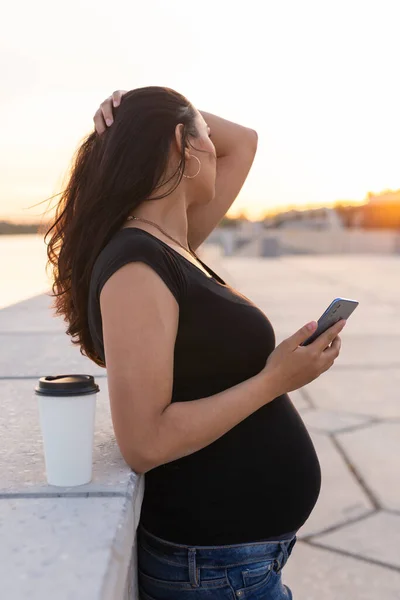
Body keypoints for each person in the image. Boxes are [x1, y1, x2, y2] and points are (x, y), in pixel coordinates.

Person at [45, 86, 345, 599]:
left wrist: (141, 109)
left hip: (236, 565)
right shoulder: (138, 264)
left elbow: (245, 141)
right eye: (202, 134)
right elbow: (144, 442)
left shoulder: (173, 243)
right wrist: (277, 379)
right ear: (184, 146)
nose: (215, 143)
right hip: (215, 570)